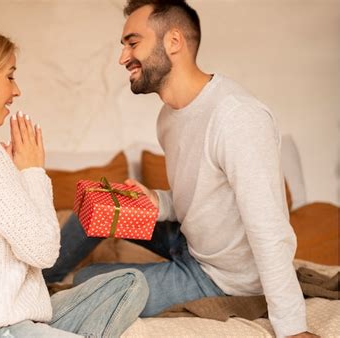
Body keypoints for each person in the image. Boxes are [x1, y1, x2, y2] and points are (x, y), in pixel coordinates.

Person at [43, 1, 318, 337]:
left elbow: (268, 227)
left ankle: (56, 284)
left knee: (89, 282)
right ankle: (35, 279)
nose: (122, 57)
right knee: (100, 201)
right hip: (187, 238)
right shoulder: (169, 118)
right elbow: (203, 193)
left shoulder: (237, 118)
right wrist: (159, 203)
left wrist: (292, 328)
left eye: (132, 43)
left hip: (218, 275)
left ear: (173, 42)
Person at [0, 24, 148, 338]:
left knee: (129, 283)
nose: (16, 90)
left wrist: (12, 176)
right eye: (9, 76)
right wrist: (32, 171)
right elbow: (44, 251)